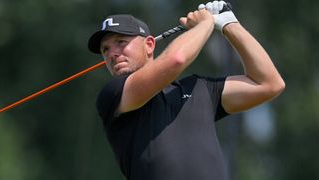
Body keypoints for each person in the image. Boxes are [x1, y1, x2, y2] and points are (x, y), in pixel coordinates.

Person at [88, 1, 285, 180]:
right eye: (105, 49)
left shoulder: (200, 88)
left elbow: (269, 84)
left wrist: (229, 25)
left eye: (121, 42)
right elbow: (176, 60)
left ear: (149, 45)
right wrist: (205, 24)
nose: (112, 54)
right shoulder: (113, 94)